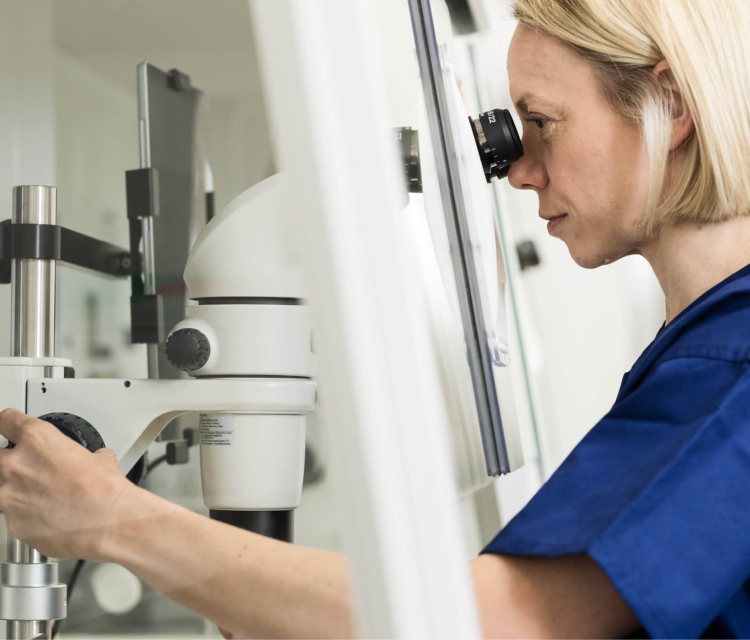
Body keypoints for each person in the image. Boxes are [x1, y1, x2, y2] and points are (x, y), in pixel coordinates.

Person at [1, 0, 749, 637]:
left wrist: (109, 518)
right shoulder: (699, 349)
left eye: (542, 121)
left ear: (671, 107)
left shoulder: (729, 363)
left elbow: (509, 622)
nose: (520, 169)